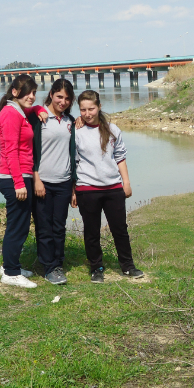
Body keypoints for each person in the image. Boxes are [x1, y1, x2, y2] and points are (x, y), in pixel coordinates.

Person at [71, 90, 144, 283]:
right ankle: (97, 268)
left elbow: (120, 156)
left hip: (113, 187)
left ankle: (128, 266)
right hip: (87, 188)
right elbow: (73, 162)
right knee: (91, 230)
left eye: (91, 109)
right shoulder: (76, 131)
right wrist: (73, 191)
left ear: (99, 107)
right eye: (83, 110)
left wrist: (126, 182)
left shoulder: (113, 129)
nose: (87, 114)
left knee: (120, 228)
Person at [0, 74, 46, 288]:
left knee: (18, 224)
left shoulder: (16, 110)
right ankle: (10, 273)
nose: (31, 96)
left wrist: (38, 109)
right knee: (17, 226)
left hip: (19, 176)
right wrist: (19, 183)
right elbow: (10, 151)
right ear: (14, 92)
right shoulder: (10, 114)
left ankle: (9, 265)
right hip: (13, 178)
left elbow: (30, 109)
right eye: (28, 92)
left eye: (34, 93)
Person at [30, 79, 76, 285]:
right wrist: (36, 178)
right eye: (59, 97)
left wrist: (74, 186)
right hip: (43, 182)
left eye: (67, 98)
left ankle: (57, 262)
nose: (63, 101)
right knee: (44, 225)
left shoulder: (71, 121)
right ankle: (49, 266)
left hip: (64, 182)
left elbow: (73, 153)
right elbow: (30, 151)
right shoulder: (39, 118)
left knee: (59, 226)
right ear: (51, 94)